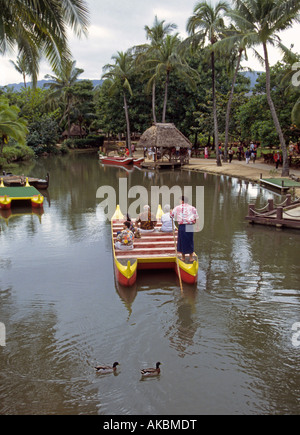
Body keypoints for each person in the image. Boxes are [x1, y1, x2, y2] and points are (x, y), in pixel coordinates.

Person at [170, 196, 199, 262]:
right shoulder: (192, 208)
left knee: (182, 241)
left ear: (182, 201)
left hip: (182, 226)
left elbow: (171, 216)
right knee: (190, 241)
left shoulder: (177, 207)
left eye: (180, 200)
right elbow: (196, 217)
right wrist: (197, 226)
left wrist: (171, 212)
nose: (179, 202)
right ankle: (191, 257)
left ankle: (183, 257)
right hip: (189, 226)